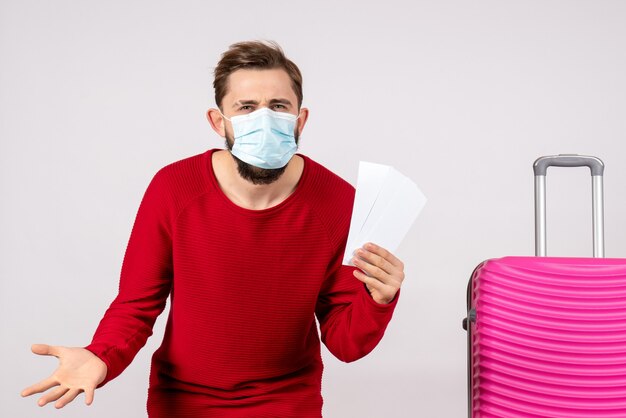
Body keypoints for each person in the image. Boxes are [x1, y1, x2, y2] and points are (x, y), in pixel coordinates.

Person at [21, 40, 405, 417]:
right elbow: (137, 305)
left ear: (300, 119)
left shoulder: (340, 202)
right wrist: (100, 356)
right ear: (218, 121)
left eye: (278, 106)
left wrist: (378, 300)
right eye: (247, 107)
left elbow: (345, 344)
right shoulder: (173, 188)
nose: (265, 118)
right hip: (183, 402)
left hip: (288, 404)